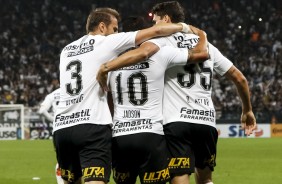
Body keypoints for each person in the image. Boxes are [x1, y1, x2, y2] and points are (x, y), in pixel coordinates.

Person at [53, 7, 195, 184]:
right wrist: (187, 28)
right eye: (114, 29)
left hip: (61, 127)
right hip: (93, 125)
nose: (116, 33)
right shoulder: (106, 44)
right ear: (102, 27)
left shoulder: (66, 50)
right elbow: (156, 31)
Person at [150, 1, 257, 184]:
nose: (153, 26)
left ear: (166, 19)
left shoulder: (159, 44)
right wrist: (247, 110)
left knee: (179, 176)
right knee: (206, 180)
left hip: (176, 122)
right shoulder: (206, 44)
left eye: (156, 21)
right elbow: (240, 79)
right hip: (205, 122)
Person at [96, 16, 208, 184]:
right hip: (151, 135)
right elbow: (201, 54)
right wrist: (202, 35)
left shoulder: (111, 62)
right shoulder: (161, 53)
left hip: (121, 136)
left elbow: (108, 97)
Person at [38, 88, 64, 184]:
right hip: (75, 126)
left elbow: (41, 111)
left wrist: (53, 119)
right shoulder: (74, 90)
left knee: (61, 161)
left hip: (58, 129)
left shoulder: (52, 95)